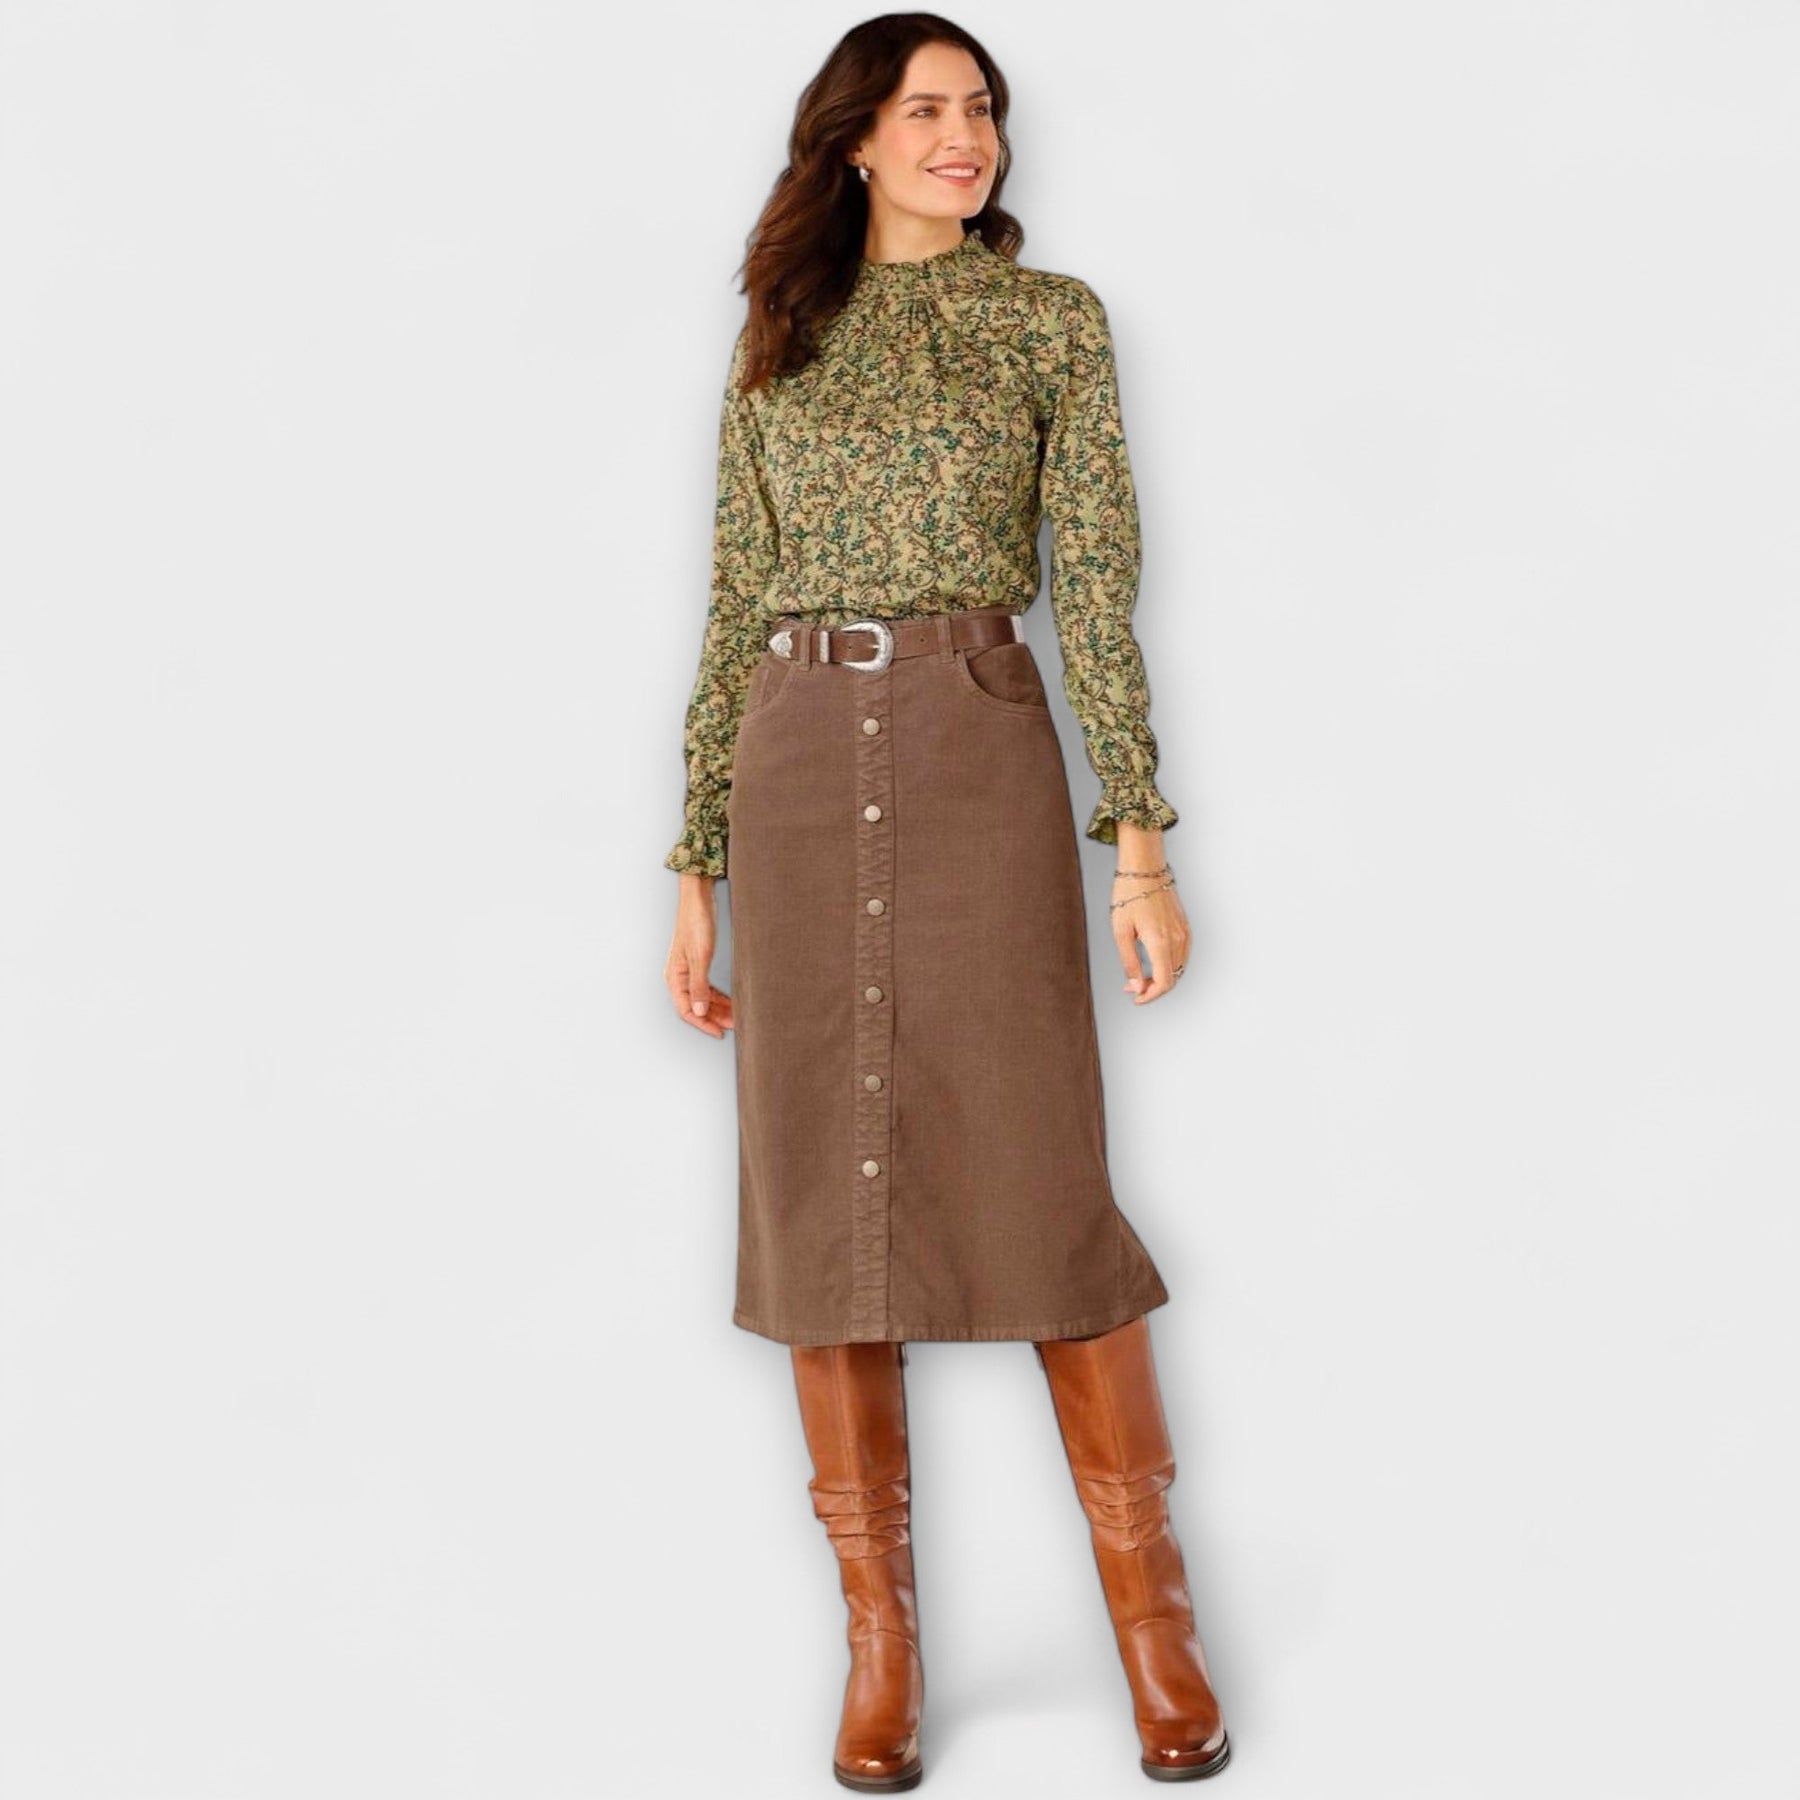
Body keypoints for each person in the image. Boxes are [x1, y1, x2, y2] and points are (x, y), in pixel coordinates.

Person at [662, 14, 1230, 1789]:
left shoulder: (1050, 320)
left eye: (979, 108)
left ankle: (1155, 1622)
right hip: (795, 758)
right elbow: (732, 593)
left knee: (1044, 1179)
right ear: (852, 139)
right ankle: (882, 1646)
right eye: (924, 110)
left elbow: (1100, 580)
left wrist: (1139, 838)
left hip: (980, 743)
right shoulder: (781, 330)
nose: (961, 135)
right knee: (823, 1198)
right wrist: (694, 861)